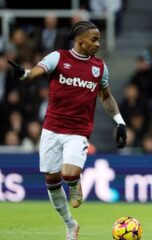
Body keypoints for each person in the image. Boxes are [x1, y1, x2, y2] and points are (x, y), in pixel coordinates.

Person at [8, 21, 127, 240]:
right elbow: (36, 72)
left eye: (99, 39)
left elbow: (106, 97)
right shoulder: (58, 57)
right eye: (94, 39)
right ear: (80, 39)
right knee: (52, 182)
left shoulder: (99, 67)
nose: (98, 44)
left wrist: (120, 122)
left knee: (69, 173)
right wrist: (23, 74)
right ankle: (70, 224)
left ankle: (75, 184)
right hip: (52, 129)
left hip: (78, 131)